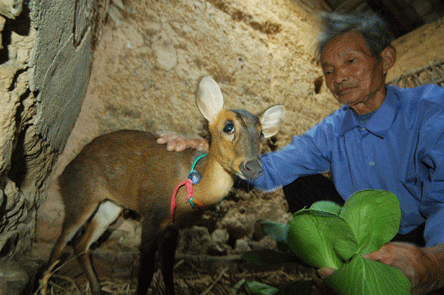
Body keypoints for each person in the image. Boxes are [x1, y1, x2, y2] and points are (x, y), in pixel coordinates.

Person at [158, 12, 444, 294]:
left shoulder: (429, 109)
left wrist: (434, 263)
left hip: (424, 236)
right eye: (328, 70)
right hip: (360, 238)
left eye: (351, 61)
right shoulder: (332, 129)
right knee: (299, 181)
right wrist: (218, 153)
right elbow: (274, 167)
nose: (338, 77)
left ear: (386, 59)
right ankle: (339, 271)